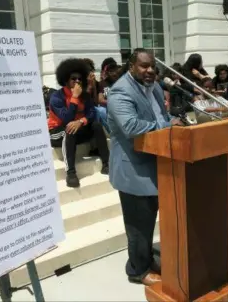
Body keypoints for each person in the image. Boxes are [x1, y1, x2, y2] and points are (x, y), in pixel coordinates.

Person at [107, 48, 182, 286]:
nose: (149, 70)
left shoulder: (156, 88)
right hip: (133, 170)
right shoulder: (120, 91)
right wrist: (166, 125)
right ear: (131, 66)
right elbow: (130, 126)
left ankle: (146, 259)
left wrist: (171, 122)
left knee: (149, 220)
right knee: (138, 225)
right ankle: (137, 270)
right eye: (143, 66)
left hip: (155, 164)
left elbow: (161, 115)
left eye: (152, 66)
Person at [48, 58, 110, 188]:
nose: (77, 81)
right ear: (65, 80)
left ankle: (107, 163)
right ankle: (70, 173)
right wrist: (74, 97)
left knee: (96, 126)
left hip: (77, 128)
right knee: (69, 129)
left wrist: (81, 121)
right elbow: (66, 119)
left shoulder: (84, 95)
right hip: (57, 132)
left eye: (79, 79)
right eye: (73, 78)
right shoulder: (57, 97)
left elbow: (92, 113)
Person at [96, 58, 121, 133]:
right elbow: (100, 100)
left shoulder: (122, 82)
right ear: (107, 73)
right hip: (108, 108)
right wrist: (111, 102)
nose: (114, 73)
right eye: (111, 71)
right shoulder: (102, 83)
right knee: (100, 110)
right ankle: (112, 132)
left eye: (115, 70)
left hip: (121, 107)